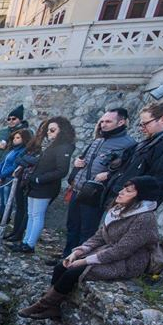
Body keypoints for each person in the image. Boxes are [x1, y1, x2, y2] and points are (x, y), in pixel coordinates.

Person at [20, 176, 162, 321]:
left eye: (128, 191)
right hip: (109, 252)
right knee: (60, 267)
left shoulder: (144, 219)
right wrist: (77, 252)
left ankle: (42, 305)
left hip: (129, 262)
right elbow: (99, 237)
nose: (121, 192)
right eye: (124, 188)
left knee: (73, 273)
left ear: (141, 196)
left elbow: (122, 250)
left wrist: (85, 261)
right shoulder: (119, 209)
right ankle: (52, 307)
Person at [64, 108, 135, 257]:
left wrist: (109, 174)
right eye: (102, 121)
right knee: (72, 226)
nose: (103, 124)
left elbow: (127, 170)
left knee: (87, 231)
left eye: (108, 121)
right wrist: (77, 163)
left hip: (95, 194)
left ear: (121, 122)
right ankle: (66, 256)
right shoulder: (98, 140)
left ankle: (78, 262)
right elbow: (86, 159)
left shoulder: (128, 144)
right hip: (78, 189)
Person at [101, 101, 163, 208]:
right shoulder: (155, 139)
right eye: (141, 124)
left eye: (145, 123)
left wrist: (133, 194)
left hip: (133, 203)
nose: (141, 128)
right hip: (122, 197)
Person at [10, 116, 76, 253]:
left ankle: (30, 244)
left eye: (52, 130)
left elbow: (61, 171)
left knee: (37, 215)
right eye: (48, 130)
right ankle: (25, 241)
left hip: (45, 187)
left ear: (61, 131)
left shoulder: (64, 147)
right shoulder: (51, 145)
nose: (48, 133)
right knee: (31, 214)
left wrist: (39, 179)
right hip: (35, 184)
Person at [4, 120, 47, 242]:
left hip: (30, 180)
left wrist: (27, 161)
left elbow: (38, 161)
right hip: (22, 178)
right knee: (20, 208)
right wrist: (28, 161)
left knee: (29, 212)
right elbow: (19, 158)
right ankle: (15, 232)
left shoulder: (46, 146)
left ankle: (20, 235)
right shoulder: (33, 143)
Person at [0, 106, 31, 218]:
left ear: (19, 119)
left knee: (7, 198)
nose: (11, 121)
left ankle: (2, 219)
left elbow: (20, 156)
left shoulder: (25, 133)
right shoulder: (3, 131)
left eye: (14, 118)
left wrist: (2, 174)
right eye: (9, 119)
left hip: (9, 170)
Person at [0, 129, 33, 224]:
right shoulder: (12, 150)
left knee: (7, 202)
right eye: (14, 137)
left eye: (18, 138)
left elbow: (14, 166)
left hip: (9, 179)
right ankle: (0, 219)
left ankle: (4, 220)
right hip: (2, 177)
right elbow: (3, 162)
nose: (15, 139)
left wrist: (2, 175)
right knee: (2, 201)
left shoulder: (22, 151)